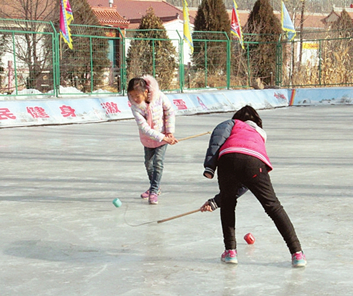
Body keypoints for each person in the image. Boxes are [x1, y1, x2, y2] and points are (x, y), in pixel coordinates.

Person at [201, 105, 306, 267]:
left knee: (228, 205)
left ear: (237, 117)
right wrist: (216, 201)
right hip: (254, 163)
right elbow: (245, 183)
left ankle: (230, 252)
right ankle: (297, 253)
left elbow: (218, 136)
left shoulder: (233, 123)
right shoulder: (259, 134)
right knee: (273, 206)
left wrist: (210, 167)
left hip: (228, 159)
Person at [127, 75, 177, 205]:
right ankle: (155, 186)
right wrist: (162, 137)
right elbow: (144, 128)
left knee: (158, 162)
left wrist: (169, 132)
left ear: (145, 92)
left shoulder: (159, 96)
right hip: (149, 139)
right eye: (132, 96)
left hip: (163, 135)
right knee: (148, 164)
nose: (135, 99)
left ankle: (154, 191)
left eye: (137, 96)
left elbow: (169, 111)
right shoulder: (135, 107)